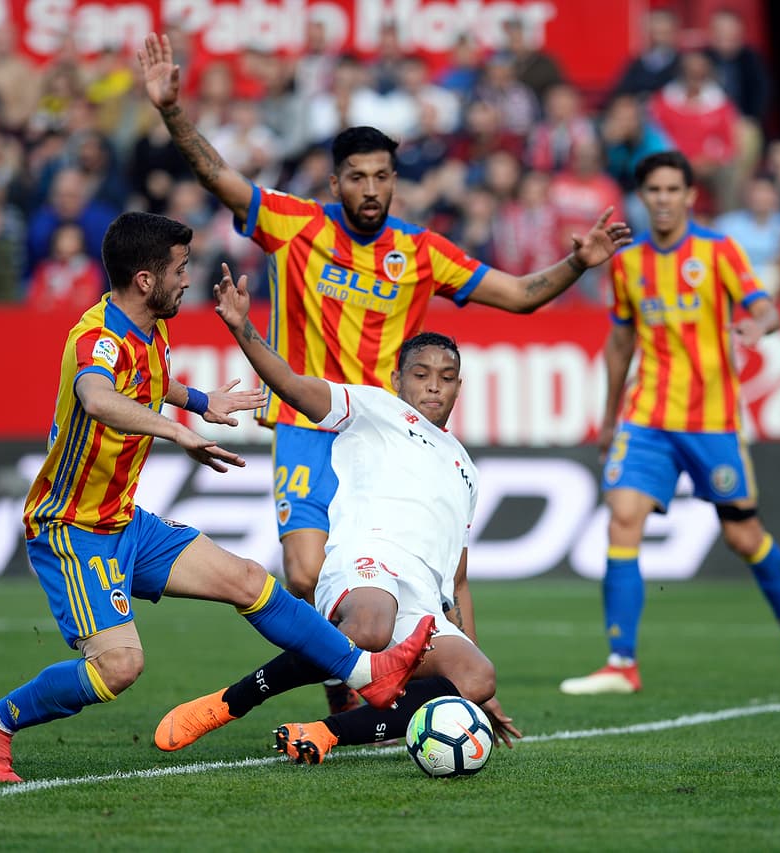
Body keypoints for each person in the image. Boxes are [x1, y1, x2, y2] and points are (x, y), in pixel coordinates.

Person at [138, 32, 631, 713]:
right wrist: (172, 114)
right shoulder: (297, 225)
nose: (371, 189)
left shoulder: (421, 252)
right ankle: (353, 687)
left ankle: (379, 687)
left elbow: (518, 295)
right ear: (335, 181)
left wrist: (578, 261)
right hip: (311, 424)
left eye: (382, 176)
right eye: (357, 176)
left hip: (389, 441)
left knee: (397, 585)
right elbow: (220, 177)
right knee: (306, 572)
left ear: (395, 180)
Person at [0, 212, 435, 784]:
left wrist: (201, 400)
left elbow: (152, 383)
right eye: (181, 269)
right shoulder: (97, 339)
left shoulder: (148, 330)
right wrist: (178, 429)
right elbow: (99, 398)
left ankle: (364, 675)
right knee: (118, 667)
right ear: (144, 279)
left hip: (125, 523)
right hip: (72, 530)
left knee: (249, 581)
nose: (189, 278)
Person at [154, 273, 520, 763]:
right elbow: (290, 386)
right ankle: (231, 701)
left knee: (477, 676)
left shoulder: (466, 470)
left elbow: (458, 580)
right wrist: (244, 329)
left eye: (447, 376)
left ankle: (324, 733)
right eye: (421, 373)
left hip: (423, 597)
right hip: (367, 564)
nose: (434, 385)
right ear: (397, 380)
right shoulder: (375, 409)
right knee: (369, 628)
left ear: (459, 386)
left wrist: (475, 693)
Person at [559, 151, 780, 697]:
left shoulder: (717, 251)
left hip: (711, 421)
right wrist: (609, 420)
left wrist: (758, 327)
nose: (662, 199)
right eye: (652, 190)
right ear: (642, 196)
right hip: (647, 417)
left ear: (688, 196)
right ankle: (621, 662)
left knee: (742, 534)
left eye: (671, 190)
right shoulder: (628, 263)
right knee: (622, 517)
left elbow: (763, 307)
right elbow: (619, 343)